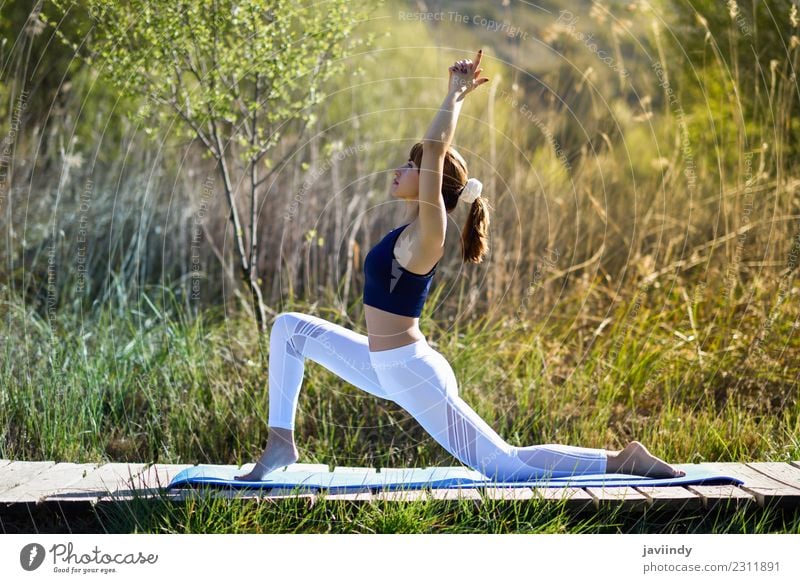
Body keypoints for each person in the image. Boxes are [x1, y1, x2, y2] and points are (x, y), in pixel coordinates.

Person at [235, 49, 685, 482]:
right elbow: (430, 154)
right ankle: (280, 441)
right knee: (289, 328)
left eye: (412, 166)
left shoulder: (432, 231)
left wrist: (455, 92)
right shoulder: (406, 230)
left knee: (504, 466)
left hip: (410, 370)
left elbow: (435, 146)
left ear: (432, 183)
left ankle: (622, 460)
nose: (400, 169)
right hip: (381, 365)